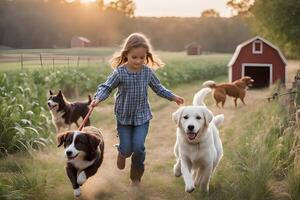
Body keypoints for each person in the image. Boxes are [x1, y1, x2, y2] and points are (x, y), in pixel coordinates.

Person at [90, 33, 184, 186]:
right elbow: (106, 87)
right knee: (127, 149)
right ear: (126, 54)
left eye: (142, 58)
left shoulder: (147, 72)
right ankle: (122, 152)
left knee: (139, 148)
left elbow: (158, 88)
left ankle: (135, 179)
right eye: (135, 57)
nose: (139, 61)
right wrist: (98, 98)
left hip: (142, 117)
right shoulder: (120, 72)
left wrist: (173, 97)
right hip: (124, 117)